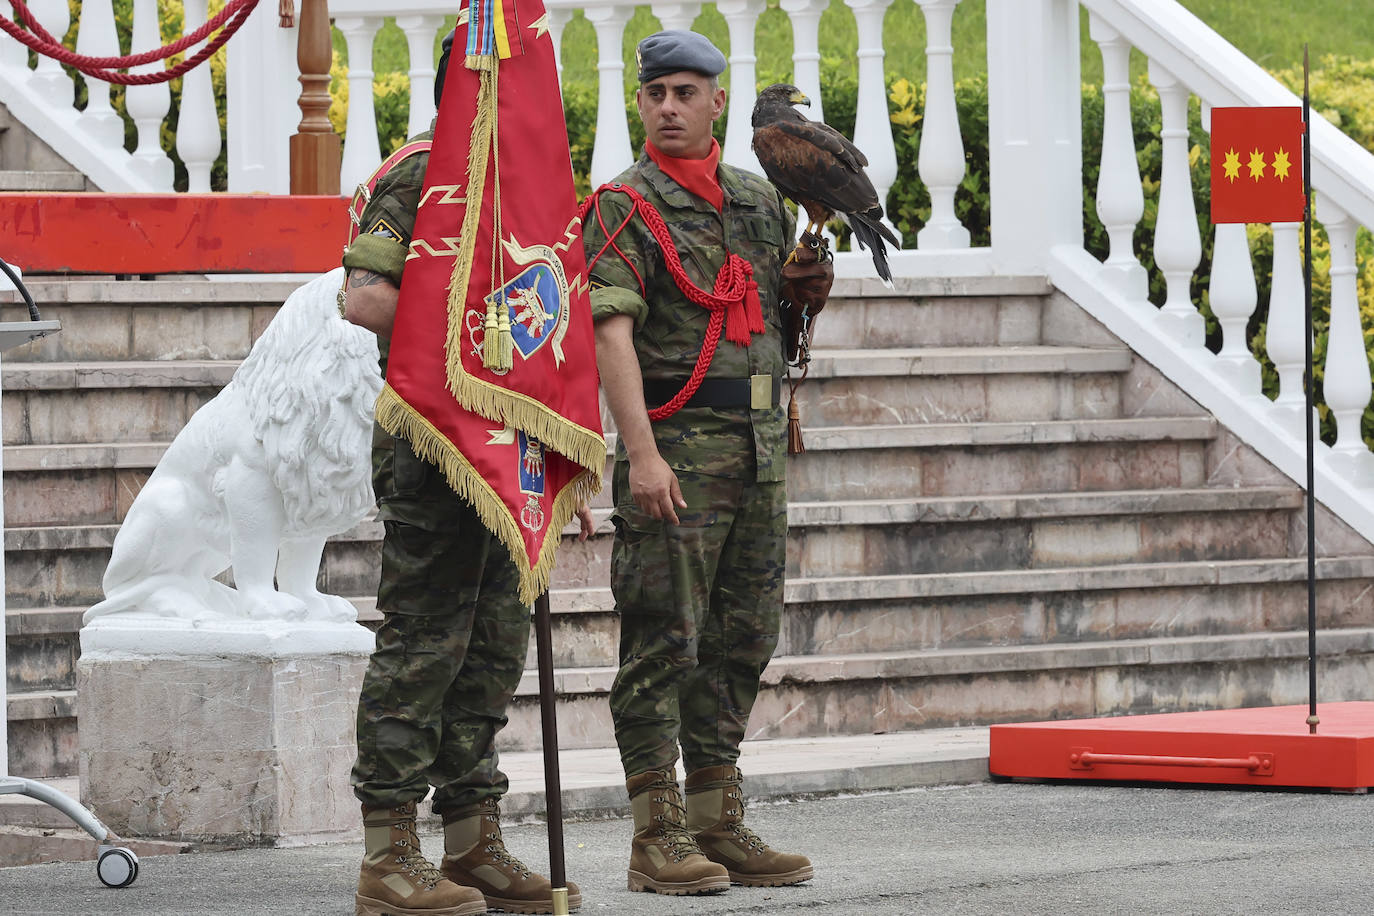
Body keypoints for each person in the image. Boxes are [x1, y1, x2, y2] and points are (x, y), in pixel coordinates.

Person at [341, 31, 589, 916]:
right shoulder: (422, 175)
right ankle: (388, 854)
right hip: (433, 452)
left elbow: (554, 324)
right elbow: (364, 297)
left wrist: (556, 454)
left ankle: (472, 838)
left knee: (489, 653)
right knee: (423, 649)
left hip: (509, 460)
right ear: (470, 84)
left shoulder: (528, 194)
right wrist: (469, 334)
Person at [582, 29, 834, 897]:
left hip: (760, 453)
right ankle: (657, 837)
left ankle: (719, 821)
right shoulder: (622, 204)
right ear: (642, 101)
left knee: (741, 641)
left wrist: (802, 293)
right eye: (657, 94)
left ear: (718, 101)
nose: (670, 107)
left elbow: (770, 328)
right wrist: (639, 454)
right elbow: (608, 331)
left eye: (687, 92)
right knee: (663, 640)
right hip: (676, 450)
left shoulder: (758, 203)